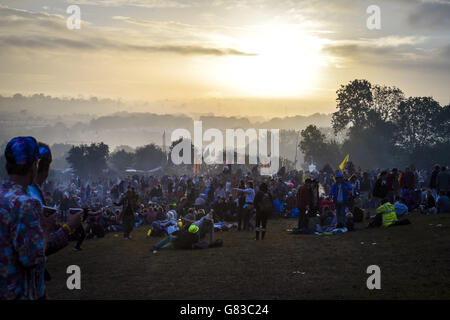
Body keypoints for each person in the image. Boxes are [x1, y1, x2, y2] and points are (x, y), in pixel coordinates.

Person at [0, 136, 55, 299]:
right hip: (16, 292)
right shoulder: (26, 204)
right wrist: (45, 230)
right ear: (32, 167)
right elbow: (32, 259)